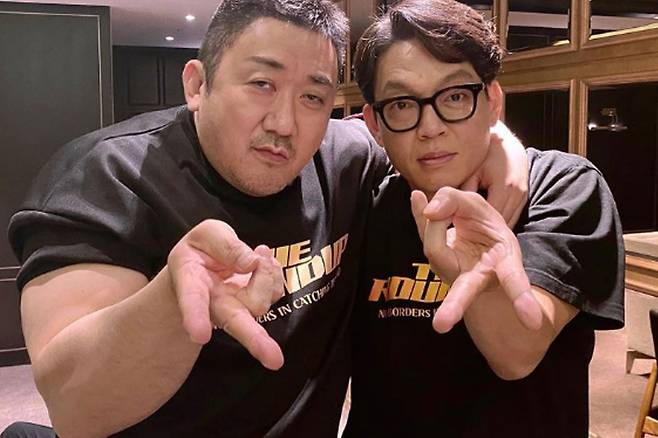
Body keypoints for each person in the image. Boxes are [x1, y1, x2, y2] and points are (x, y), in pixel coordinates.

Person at [4, 1, 528, 437]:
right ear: (197, 84)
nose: (284, 123)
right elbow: (75, 409)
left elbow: (427, 132)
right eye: (261, 84)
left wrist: (502, 144)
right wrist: (170, 308)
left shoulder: (343, 159)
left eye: (313, 97)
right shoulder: (106, 179)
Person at [344, 1, 624, 437]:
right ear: (375, 125)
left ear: (492, 101)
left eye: (455, 96)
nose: (430, 127)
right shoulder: (367, 200)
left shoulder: (564, 186)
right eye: (401, 104)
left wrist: (476, 276)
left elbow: (516, 355)